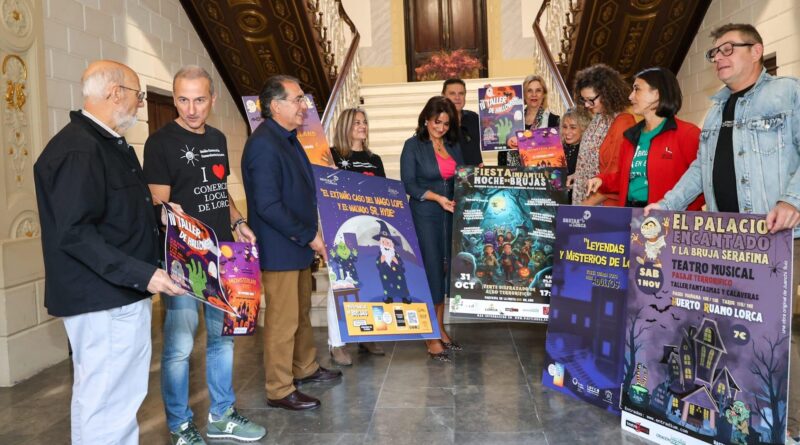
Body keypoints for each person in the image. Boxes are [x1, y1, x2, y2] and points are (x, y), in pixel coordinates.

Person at [644, 23, 800, 442]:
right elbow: (700, 169)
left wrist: (793, 199)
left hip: (779, 239)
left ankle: (791, 426)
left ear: (757, 51)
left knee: (778, 336)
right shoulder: (715, 110)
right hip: (728, 241)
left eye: (729, 49)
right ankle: (748, 421)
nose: (719, 58)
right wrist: (668, 204)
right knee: (736, 334)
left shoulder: (787, 93)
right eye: (714, 53)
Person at [33, 60, 185, 445]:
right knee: (110, 402)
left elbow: (110, 212)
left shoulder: (106, 143)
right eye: (138, 94)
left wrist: (159, 215)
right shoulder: (79, 149)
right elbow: (75, 233)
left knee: (104, 399)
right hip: (104, 298)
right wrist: (144, 273)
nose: (140, 103)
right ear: (115, 93)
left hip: (116, 293)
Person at [143, 66, 266, 444]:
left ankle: (221, 415)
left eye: (199, 100)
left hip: (221, 255)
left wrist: (239, 221)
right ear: (174, 98)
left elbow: (218, 189)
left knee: (222, 340)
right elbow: (156, 202)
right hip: (183, 260)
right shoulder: (160, 143)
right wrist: (167, 211)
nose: (191, 109)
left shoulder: (217, 137)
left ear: (212, 99)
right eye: (183, 100)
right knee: (179, 348)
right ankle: (180, 425)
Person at [242, 75, 342, 411]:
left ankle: (305, 367)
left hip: (296, 244)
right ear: (275, 106)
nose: (305, 106)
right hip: (281, 247)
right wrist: (310, 235)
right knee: (282, 321)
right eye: (298, 99)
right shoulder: (263, 144)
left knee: (300, 313)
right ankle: (279, 388)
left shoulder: (288, 138)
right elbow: (268, 205)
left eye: (304, 99)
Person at [400, 96, 465, 362]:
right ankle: (430, 336)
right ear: (426, 119)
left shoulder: (453, 145)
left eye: (446, 124)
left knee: (445, 270)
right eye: (437, 122)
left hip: (450, 215)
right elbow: (409, 184)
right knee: (431, 272)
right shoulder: (413, 146)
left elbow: (462, 176)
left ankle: (439, 327)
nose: (441, 128)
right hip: (425, 214)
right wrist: (437, 198)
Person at [586, 67, 704, 211]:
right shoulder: (630, 136)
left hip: (667, 218)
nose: (630, 96)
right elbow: (624, 179)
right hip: (632, 215)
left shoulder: (687, 134)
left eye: (637, 89)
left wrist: (679, 216)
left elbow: (702, 182)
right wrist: (602, 180)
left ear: (657, 94)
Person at [327, 107, 386, 365]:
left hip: (368, 228)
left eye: (364, 122)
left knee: (369, 281)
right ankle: (337, 343)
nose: (362, 126)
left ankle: (366, 335)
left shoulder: (375, 159)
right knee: (340, 283)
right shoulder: (333, 155)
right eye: (356, 123)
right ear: (345, 127)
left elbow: (382, 194)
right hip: (341, 226)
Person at [570, 64, 636, 205]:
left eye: (590, 99)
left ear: (607, 94)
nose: (586, 105)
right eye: (583, 100)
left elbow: (615, 176)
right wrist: (578, 174)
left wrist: (585, 205)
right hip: (586, 200)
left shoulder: (623, 122)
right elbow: (593, 160)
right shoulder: (600, 116)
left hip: (600, 205)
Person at [501, 74, 561, 166]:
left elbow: (556, 155)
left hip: (542, 173)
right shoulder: (512, 120)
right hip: (513, 173)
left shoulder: (554, 121)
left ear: (544, 94)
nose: (534, 95)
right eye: (529, 91)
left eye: (538, 90)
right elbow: (503, 151)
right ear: (524, 95)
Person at [442, 78, 482, 166]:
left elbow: (494, 137)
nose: (457, 98)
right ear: (443, 96)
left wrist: (491, 101)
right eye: (452, 93)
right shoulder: (438, 124)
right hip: (450, 174)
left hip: (476, 173)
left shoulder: (474, 118)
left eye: (461, 93)